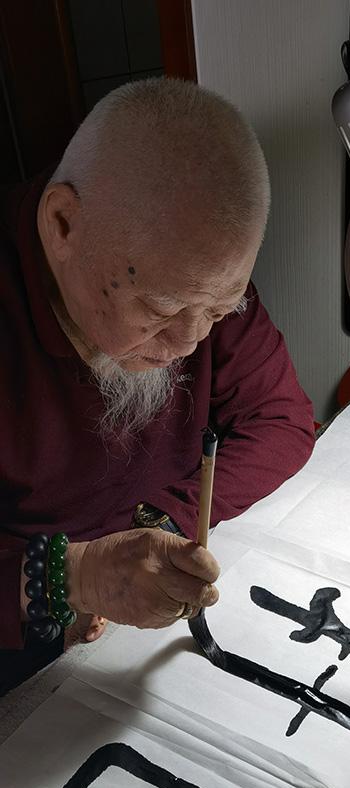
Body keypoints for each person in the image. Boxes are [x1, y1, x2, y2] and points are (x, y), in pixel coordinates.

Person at [0, 77, 315, 696]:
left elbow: (281, 420)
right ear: (63, 224)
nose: (191, 343)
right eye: (159, 309)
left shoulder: (193, 274)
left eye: (220, 310)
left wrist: (162, 521)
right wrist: (77, 575)